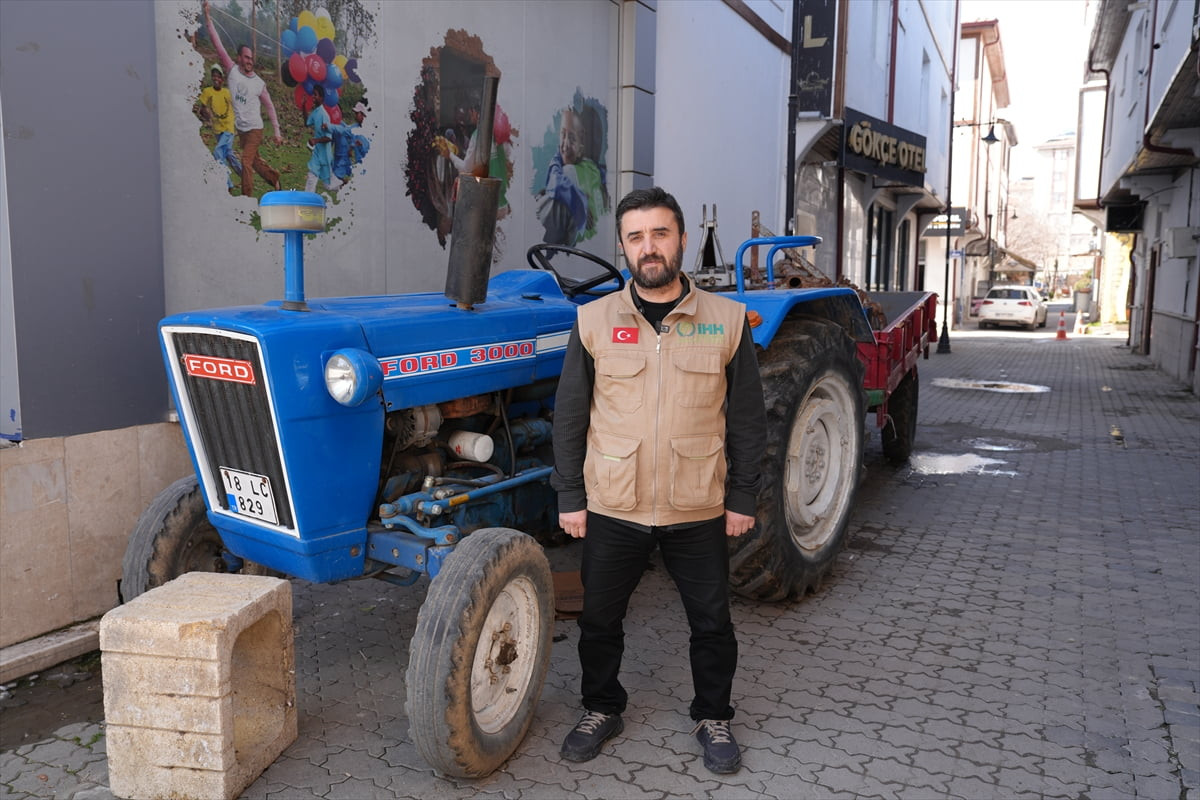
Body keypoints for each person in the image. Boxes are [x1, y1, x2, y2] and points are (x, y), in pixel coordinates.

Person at [550, 187, 766, 775]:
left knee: (712, 622)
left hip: (696, 503)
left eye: (660, 234)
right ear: (623, 248)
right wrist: (571, 496)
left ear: (681, 240)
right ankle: (602, 707)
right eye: (636, 237)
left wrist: (742, 495)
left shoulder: (725, 321)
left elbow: (747, 418)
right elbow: (571, 414)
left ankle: (713, 714)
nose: (650, 247)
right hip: (614, 503)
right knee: (598, 619)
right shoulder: (593, 321)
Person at [203, 0, 282, 197]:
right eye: (246, 57)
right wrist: (207, 17)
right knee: (254, 161)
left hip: (255, 129)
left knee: (245, 162)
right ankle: (274, 179)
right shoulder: (231, 71)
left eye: (251, 58)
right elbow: (217, 43)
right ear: (238, 58)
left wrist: (277, 132)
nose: (249, 61)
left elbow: (270, 107)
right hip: (242, 130)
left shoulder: (259, 83)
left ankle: (246, 199)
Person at [536, 105, 608, 245]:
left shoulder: (569, 172)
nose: (566, 144)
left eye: (573, 138)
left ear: (582, 144)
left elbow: (556, 183)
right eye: (563, 134)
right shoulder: (593, 170)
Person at [195, 63, 242, 193]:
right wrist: (207, 116)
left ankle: (228, 184)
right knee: (228, 154)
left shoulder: (228, 92)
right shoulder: (207, 92)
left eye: (218, 76)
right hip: (217, 129)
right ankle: (245, 175)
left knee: (217, 152)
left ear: (222, 79)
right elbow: (202, 107)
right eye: (213, 76)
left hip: (228, 128)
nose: (216, 79)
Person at [303, 85, 340, 194]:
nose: (313, 97)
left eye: (315, 95)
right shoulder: (315, 112)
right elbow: (306, 123)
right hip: (317, 154)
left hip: (325, 156)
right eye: (313, 94)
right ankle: (307, 201)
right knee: (311, 177)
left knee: (328, 185)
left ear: (322, 98)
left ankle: (343, 186)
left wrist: (316, 141)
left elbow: (329, 138)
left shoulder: (324, 115)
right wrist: (304, 106)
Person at [331, 101, 370, 184]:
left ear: (363, 114)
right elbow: (343, 131)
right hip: (360, 163)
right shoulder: (354, 128)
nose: (355, 116)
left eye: (357, 113)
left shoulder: (370, 129)